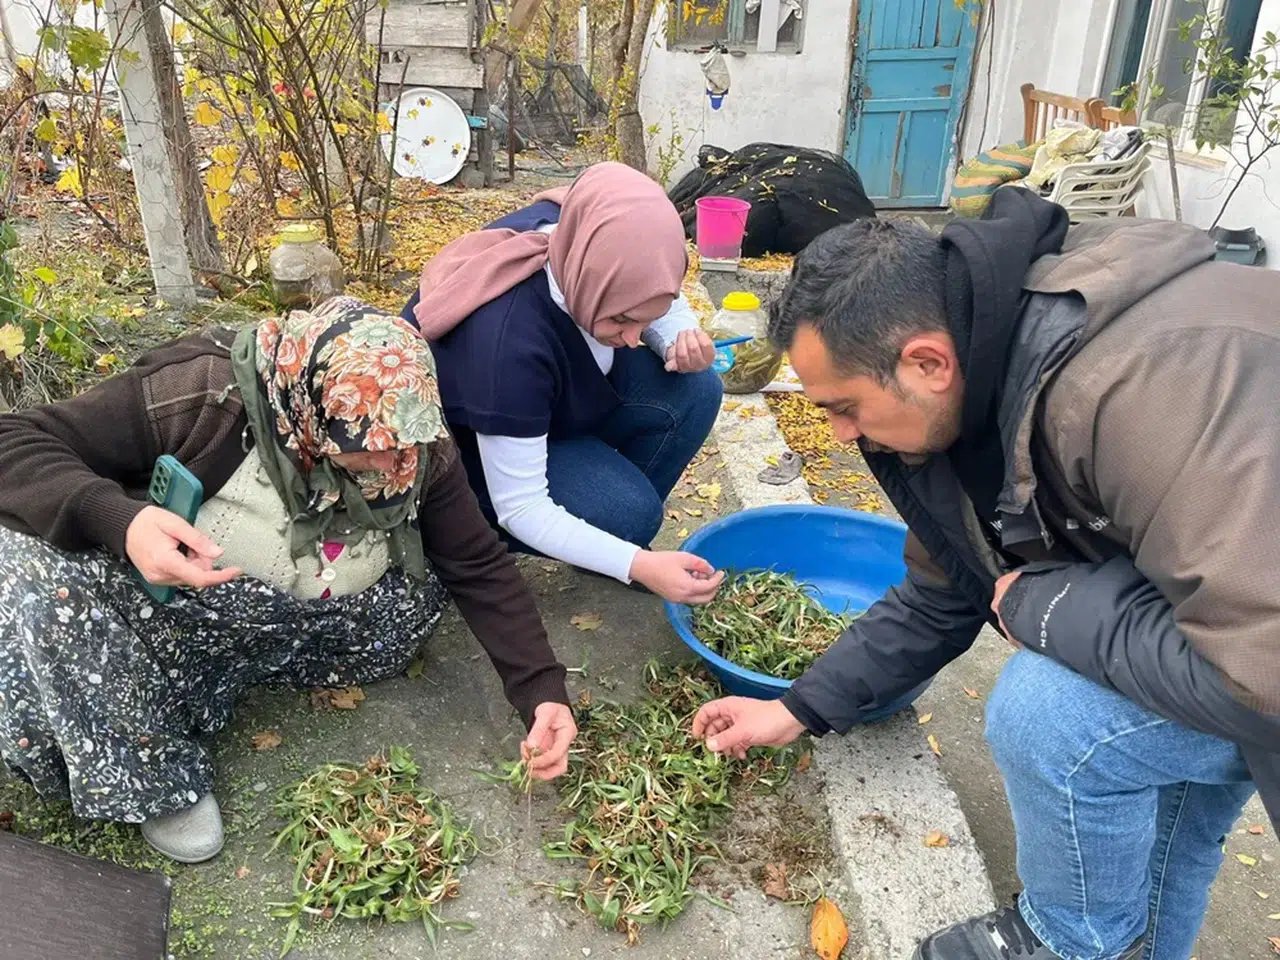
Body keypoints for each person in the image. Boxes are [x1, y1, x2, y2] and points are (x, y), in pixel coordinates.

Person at [691, 191, 1280, 960]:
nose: (836, 436)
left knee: (1051, 715)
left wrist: (1046, 610)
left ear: (927, 361)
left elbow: (1261, 668)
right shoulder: (973, 383)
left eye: (843, 407)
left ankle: (1068, 944)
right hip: (1238, 616)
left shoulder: (1141, 390)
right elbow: (946, 588)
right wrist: (799, 708)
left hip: (1258, 656)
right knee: (1171, 812)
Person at [0, 297, 577, 864]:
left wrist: (540, 690)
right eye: (371, 451)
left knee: (417, 594)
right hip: (200, 606)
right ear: (312, 407)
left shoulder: (406, 425)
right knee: (34, 569)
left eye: (408, 448)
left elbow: (476, 563)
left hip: (328, 626)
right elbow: (14, 441)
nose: (395, 466)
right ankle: (155, 777)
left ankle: (258, 665)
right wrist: (120, 520)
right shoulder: (204, 394)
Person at [400, 162, 725, 605]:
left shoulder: (587, 239)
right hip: (483, 448)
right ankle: (598, 532)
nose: (634, 337)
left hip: (549, 397)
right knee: (630, 516)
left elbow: (658, 293)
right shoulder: (507, 343)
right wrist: (637, 563)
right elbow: (522, 506)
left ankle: (600, 532)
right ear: (588, 280)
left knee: (697, 387)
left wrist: (676, 338)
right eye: (623, 319)